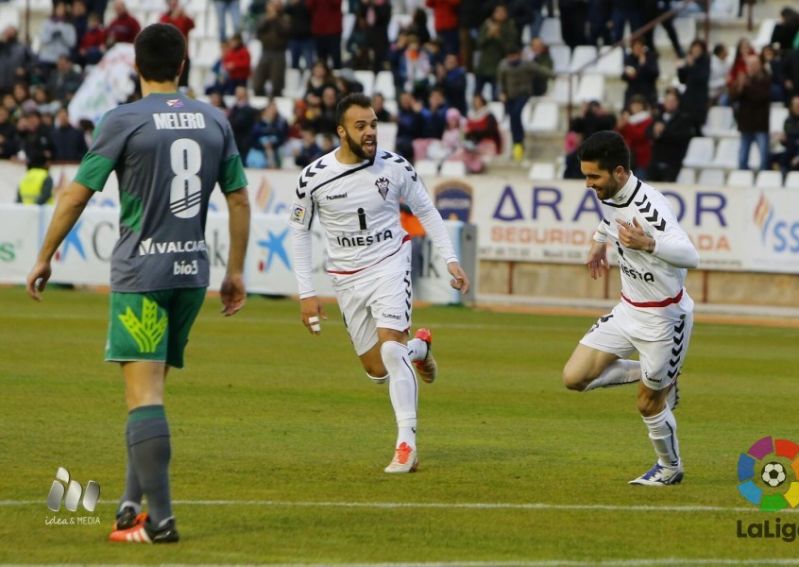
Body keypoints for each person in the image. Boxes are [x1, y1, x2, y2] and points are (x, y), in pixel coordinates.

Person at [25, 23, 251, 544]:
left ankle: (162, 521)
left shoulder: (123, 119)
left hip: (141, 274)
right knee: (149, 393)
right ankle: (130, 506)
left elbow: (78, 194)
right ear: (182, 64)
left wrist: (43, 255)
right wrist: (235, 270)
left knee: (142, 394)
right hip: (191, 274)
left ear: (136, 65)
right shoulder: (215, 119)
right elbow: (239, 199)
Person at [289, 93, 469, 473]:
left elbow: (426, 210)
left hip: (390, 264)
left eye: (373, 124)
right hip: (346, 279)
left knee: (390, 351)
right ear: (341, 131)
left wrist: (451, 259)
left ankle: (407, 444)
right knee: (377, 370)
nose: (371, 132)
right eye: (361, 126)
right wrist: (307, 293)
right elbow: (300, 232)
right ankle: (419, 349)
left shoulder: (395, 167)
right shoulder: (314, 177)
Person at [563, 130, 699, 486]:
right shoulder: (616, 195)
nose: (589, 184)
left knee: (647, 405)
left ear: (619, 172)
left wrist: (650, 243)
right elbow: (612, 218)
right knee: (574, 378)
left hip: (664, 320)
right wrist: (598, 243)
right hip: (628, 310)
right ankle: (662, 379)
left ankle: (669, 468)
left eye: (594, 176)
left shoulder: (651, 208)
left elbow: (691, 256)